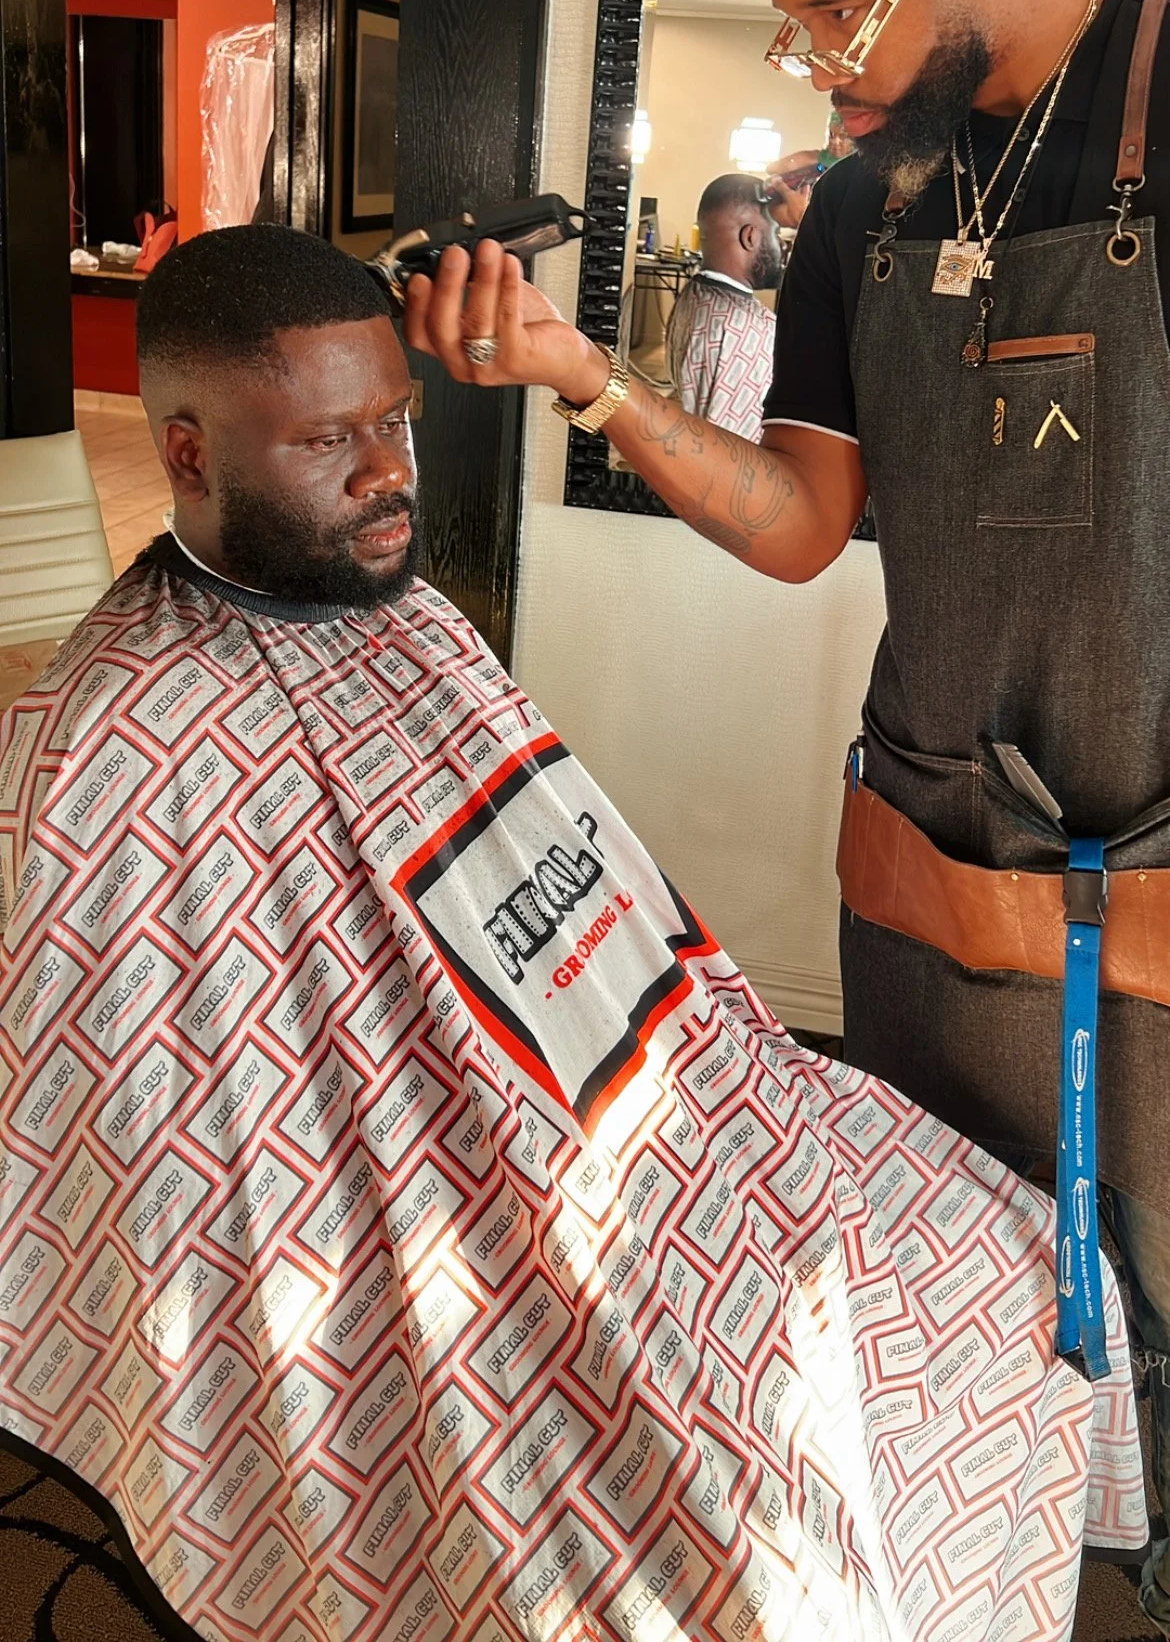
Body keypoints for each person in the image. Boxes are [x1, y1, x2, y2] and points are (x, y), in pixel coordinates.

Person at [0, 226, 1144, 1642]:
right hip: (442, 1237)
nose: (384, 474)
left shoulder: (405, 618)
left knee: (1008, 1254)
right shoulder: (113, 744)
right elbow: (142, 1153)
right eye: (324, 442)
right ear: (183, 453)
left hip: (674, 1140)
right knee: (757, 1546)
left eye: (396, 423)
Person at [403, 0, 1170, 1631]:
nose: (823, 59)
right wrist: (588, 378)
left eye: (848, 11)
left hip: (1156, 872)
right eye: (798, 20)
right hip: (930, 857)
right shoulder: (868, 206)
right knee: (948, 1296)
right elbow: (805, 522)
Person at [664, 173, 782, 437]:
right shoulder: (745, 329)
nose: (780, 247)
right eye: (775, 232)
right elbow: (734, 455)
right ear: (750, 236)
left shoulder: (694, 294)